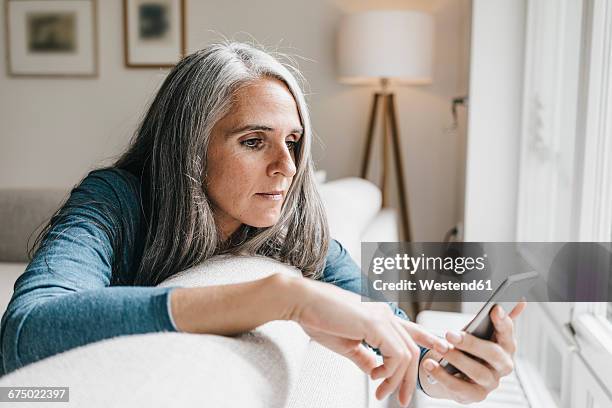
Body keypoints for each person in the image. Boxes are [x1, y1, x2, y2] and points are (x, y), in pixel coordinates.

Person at [0, 42, 525, 407]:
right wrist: (278, 296)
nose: (288, 167)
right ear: (189, 148)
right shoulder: (115, 199)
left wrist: (443, 377)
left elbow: (383, 326)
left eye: (293, 142)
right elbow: (28, 329)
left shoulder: (296, 223)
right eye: (254, 141)